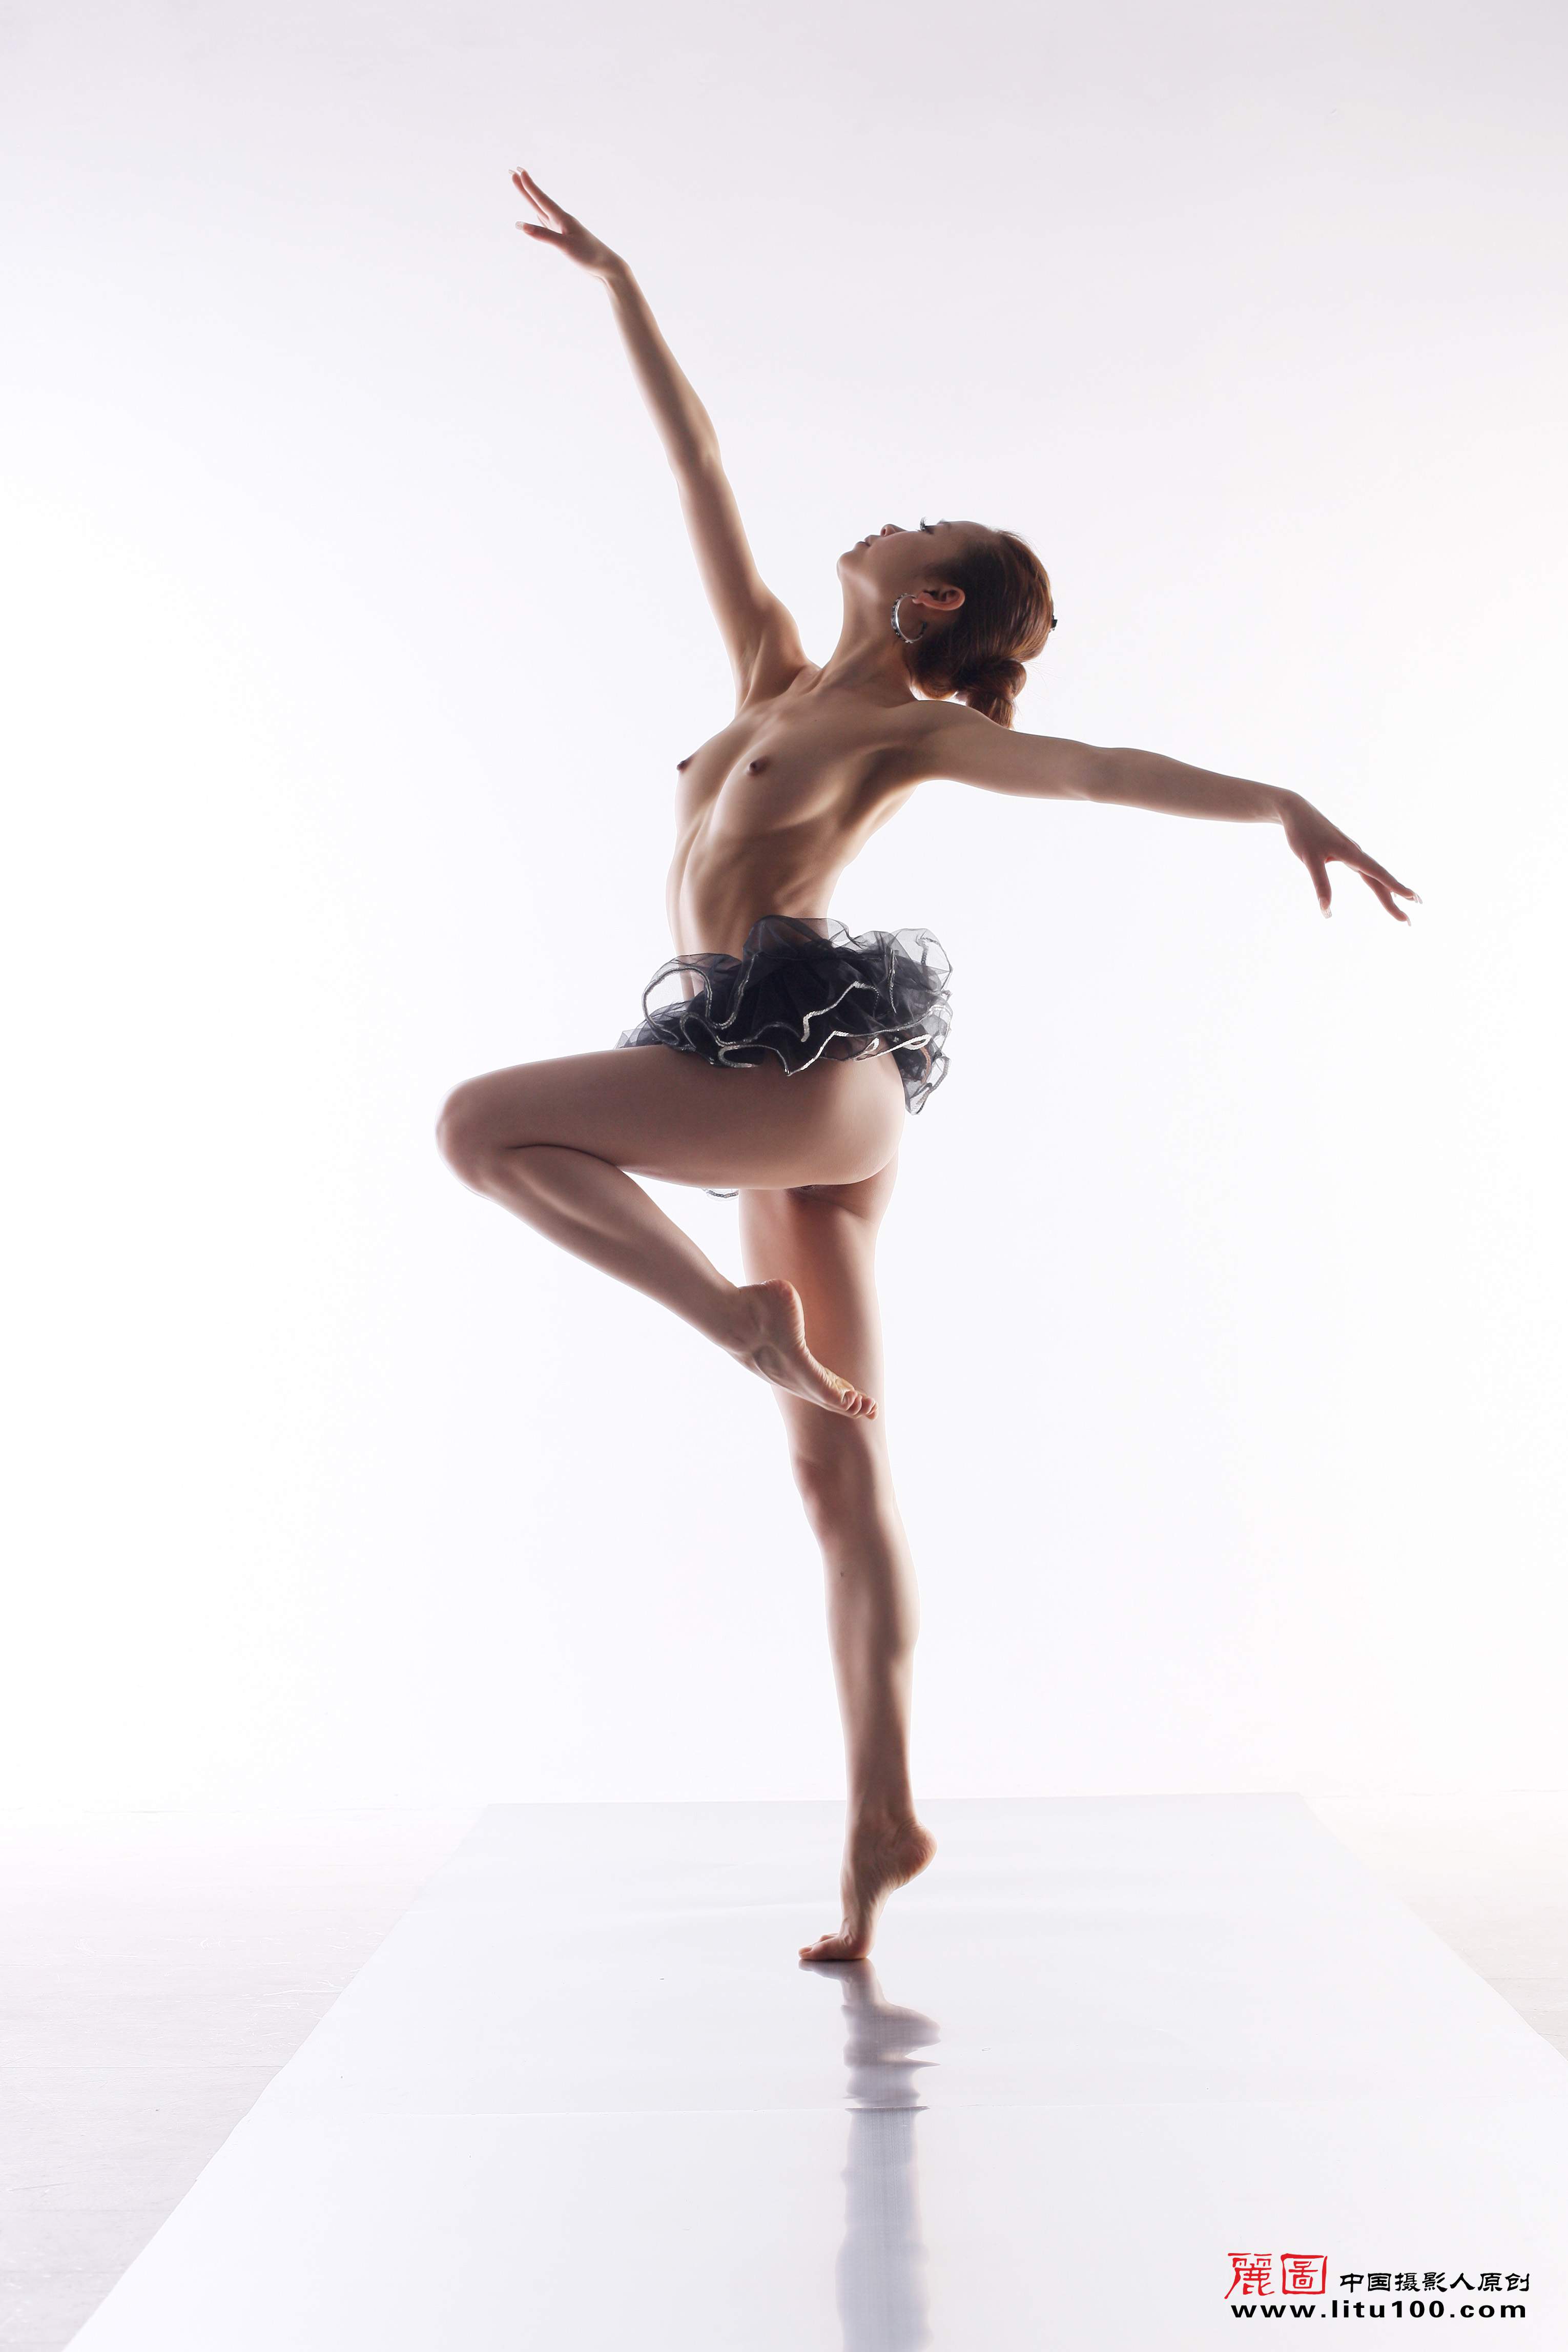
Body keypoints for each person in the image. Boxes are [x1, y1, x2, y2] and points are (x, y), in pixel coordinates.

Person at [437, 168, 1417, 1963]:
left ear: (929, 597)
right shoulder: (770, 671)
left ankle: (735, 1325)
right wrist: (621, 283)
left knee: (482, 1124)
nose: (885, 522)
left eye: (918, 531)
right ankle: (883, 1820)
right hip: (787, 1082)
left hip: (809, 1071)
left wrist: (1275, 799)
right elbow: (697, 464)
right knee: (838, 1471)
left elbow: (1097, 771)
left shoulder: (902, 730)